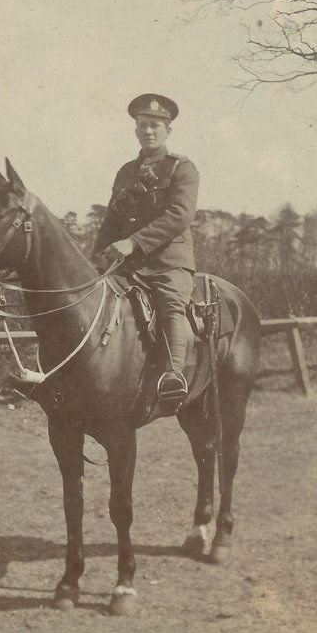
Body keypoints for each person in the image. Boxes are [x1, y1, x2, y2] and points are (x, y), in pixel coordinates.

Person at [92, 93, 199, 410]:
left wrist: (134, 242)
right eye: (142, 125)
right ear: (135, 129)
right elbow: (111, 219)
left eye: (154, 125)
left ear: (168, 130)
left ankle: (173, 376)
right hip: (127, 266)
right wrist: (96, 255)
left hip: (168, 262)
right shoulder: (126, 172)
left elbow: (179, 216)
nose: (148, 131)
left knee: (170, 304)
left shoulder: (182, 168)